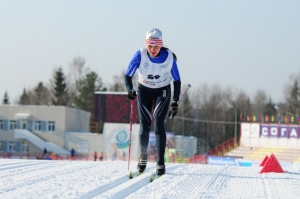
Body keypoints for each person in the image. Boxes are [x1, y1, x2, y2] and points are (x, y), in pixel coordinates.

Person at [124, 28, 181, 176]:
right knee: (145, 123)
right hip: (144, 90)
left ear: (161, 45)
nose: (153, 49)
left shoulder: (169, 57)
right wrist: (130, 89)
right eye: (150, 46)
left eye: (156, 46)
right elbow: (127, 75)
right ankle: (143, 158)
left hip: (162, 91)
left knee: (158, 122)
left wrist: (175, 101)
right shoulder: (140, 55)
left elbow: (177, 80)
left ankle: (160, 163)